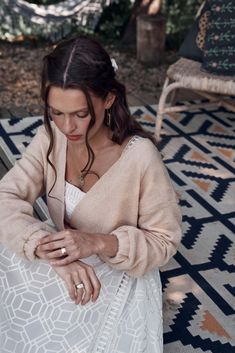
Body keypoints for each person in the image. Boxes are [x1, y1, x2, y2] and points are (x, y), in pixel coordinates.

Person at [0, 36, 182, 353]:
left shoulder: (140, 157)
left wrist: (96, 242)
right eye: (56, 112)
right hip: (67, 257)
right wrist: (53, 252)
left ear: (109, 99)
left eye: (81, 114)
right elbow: (7, 196)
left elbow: (164, 241)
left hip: (119, 272)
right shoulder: (51, 135)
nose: (67, 126)